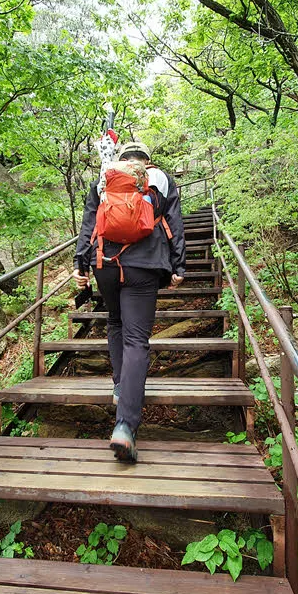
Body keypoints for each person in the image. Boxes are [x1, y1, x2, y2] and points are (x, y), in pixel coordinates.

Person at [72, 141, 186, 462]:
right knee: (137, 339)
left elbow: (90, 223)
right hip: (145, 264)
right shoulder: (159, 178)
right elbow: (174, 224)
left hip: (106, 264)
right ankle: (124, 426)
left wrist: (80, 264)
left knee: (114, 321)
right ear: (146, 160)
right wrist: (179, 266)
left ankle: (121, 387)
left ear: (121, 159)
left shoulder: (105, 177)